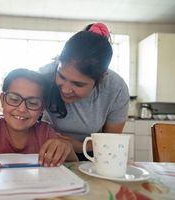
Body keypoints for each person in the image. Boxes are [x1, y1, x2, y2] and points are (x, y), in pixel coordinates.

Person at [40, 23, 129, 160]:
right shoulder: (45, 74)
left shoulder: (117, 89)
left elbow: (111, 141)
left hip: (92, 153)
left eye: (78, 84)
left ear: (101, 78)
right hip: (47, 150)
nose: (65, 89)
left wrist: (81, 146)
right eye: (62, 76)